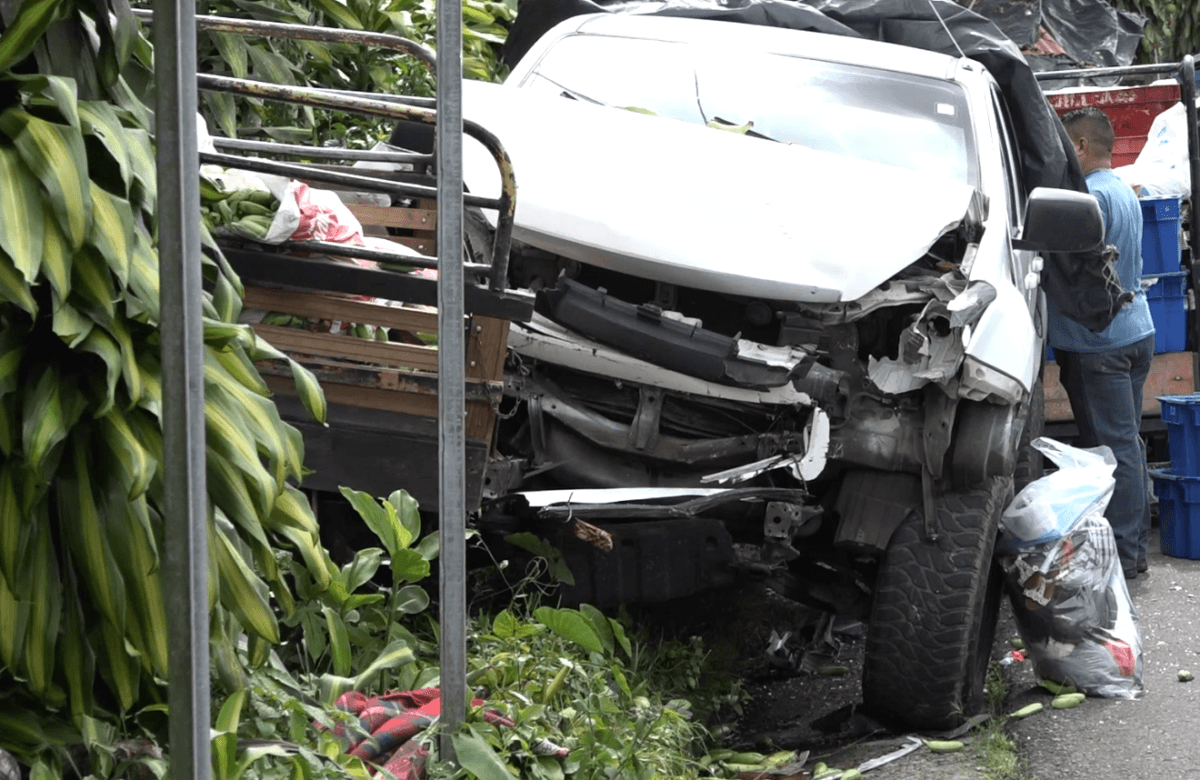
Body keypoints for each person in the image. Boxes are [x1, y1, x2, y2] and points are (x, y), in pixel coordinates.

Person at [1048, 106, 1156, 580]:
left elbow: (1071, 268)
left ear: (1079, 148)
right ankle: (1129, 548)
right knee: (1125, 443)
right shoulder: (1122, 191)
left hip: (1100, 345)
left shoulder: (1088, 197)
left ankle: (1128, 557)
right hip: (1136, 332)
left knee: (1114, 450)